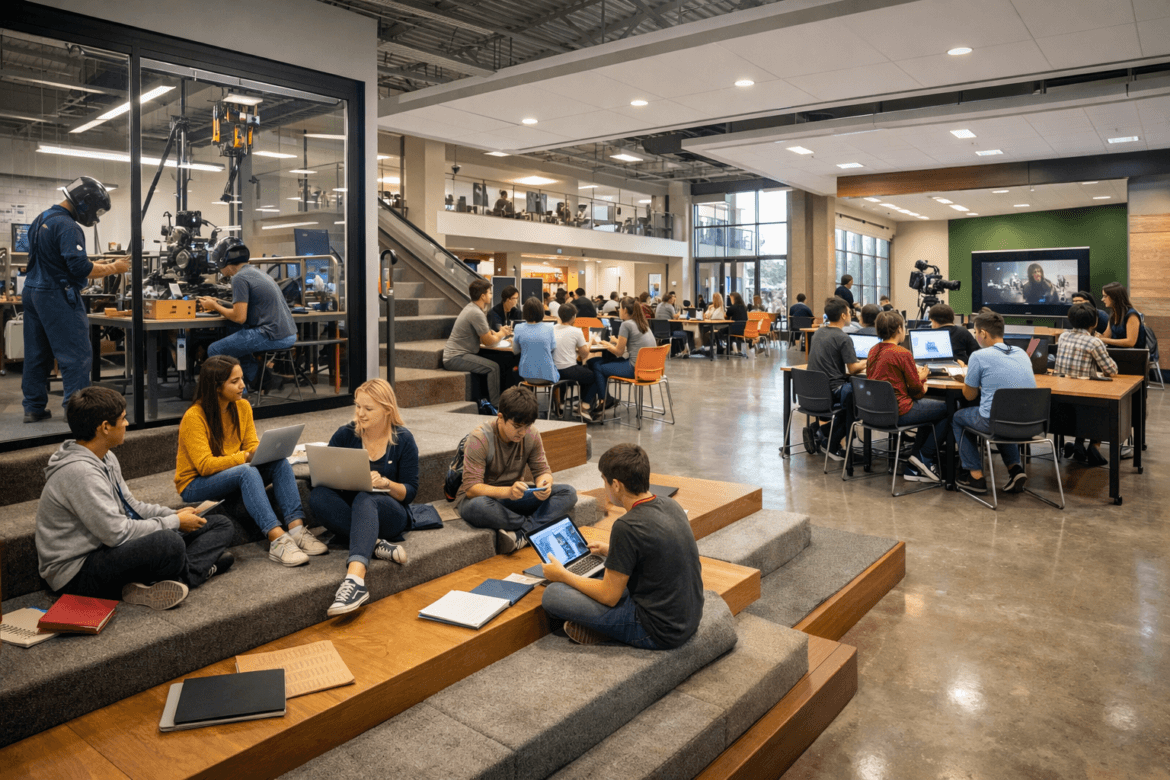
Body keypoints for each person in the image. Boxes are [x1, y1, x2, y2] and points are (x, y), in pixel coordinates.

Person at [37, 387, 233, 609]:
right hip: (76, 572)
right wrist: (174, 523)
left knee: (219, 524)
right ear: (104, 427)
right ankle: (190, 575)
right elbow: (117, 534)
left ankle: (174, 578)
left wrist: (173, 514)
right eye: (123, 418)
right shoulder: (80, 473)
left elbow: (132, 506)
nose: (127, 423)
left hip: (106, 549)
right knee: (169, 543)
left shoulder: (105, 456)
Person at [541, 443, 702, 648]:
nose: (605, 488)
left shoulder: (626, 526)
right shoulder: (670, 504)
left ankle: (609, 630)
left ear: (616, 485)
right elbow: (657, 551)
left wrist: (562, 574)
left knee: (553, 594)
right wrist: (612, 551)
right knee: (603, 573)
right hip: (689, 618)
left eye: (604, 482)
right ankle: (603, 626)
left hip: (658, 631)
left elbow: (609, 596)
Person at [175, 355, 325, 566]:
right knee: (247, 470)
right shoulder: (194, 416)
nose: (242, 386)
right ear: (216, 386)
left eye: (241, 379)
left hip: (230, 474)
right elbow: (205, 465)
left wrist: (262, 451)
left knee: (279, 463)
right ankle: (277, 539)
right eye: (234, 381)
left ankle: (297, 529)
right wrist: (245, 457)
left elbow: (251, 445)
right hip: (195, 483)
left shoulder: (242, 407)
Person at [22, 176, 130, 423]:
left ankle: (33, 407)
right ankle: (76, 413)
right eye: (98, 209)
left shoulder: (42, 219)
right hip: (56, 295)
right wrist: (114, 267)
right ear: (86, 203)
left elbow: (56, 259)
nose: (97, 216)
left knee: (37, 354)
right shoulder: (69, 226)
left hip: (32, 292)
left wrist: (99, 264)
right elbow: (80, 268)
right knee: (76, 355)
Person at [309, 379, 419, 616]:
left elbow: (410, 492)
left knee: (365, 496)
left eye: (368, 409)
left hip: (391, 513)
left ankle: (355, 581)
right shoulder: (346, 434)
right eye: (358, 406)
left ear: (387, 410)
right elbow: (326, 474)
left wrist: (386, 484)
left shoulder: (403, 439)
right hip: (353, 512)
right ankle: (374, 543)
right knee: (318, 495)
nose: (360, 413)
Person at [455, 387, 578, 553]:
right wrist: (508, 492)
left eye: (527, 426)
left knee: (567, 493)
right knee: (479, 506)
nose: (523, 432)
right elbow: (471, 489)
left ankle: (523, 532)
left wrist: (544, 483)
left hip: (516, 496)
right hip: (485, 498)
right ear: (501, 417)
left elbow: (542, 470)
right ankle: (535, 527)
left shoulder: (531, 435)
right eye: (517, 426)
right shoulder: (479, 438)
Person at [951, 308, 1035, 495]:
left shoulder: (979, 356)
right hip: (1030, 422)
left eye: (976, 333)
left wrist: (967, 381)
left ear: (983, 333)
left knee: (959, 417)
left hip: (996, 423)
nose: (976, 337)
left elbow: (969, 396)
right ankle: (1015, 469)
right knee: (1004, 414)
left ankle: (975, 476)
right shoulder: (1021, 353)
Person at [197, 238, 296, 393]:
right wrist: (220, 302)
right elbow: (246, 307)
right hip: (287, 334)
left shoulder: (239, 278)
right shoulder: (256, 272)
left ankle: (237, 400)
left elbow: (239, 317)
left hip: (271, 334)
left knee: (215, 350)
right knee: (234, 345)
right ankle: (260, 381)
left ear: (223, 262)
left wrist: (214, 306)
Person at [865, 311, 947, 482]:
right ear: (899, 329)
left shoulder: (872, 351)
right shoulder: (903, 353)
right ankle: (924, 456)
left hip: (874, 411)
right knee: (948, 409)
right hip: (899, 412)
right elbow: (916, 390)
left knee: (929, 412)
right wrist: (922, 379)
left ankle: (915, 464)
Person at [1056, 302, 1119, 467]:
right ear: (1095, 323)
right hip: (1086, 400)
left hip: (1061, 398)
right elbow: (1112, 370)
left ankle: (1078, 443)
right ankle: (1094, 445)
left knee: (1083, 399)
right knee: (1100, 400)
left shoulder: (1063, 336)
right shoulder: (1094, 342)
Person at [805, 296, 866, 460]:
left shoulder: (819, 332)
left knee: (851, 402)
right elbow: (853, 369)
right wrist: (867, 361)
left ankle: (824, 433)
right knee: (859, 401)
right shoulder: (843, 338)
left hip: (813, 391)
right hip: (833, 390)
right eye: (849, 312)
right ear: (844, 315)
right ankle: (831, 443)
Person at [443, 279, 512, 408]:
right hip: (455, 357)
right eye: (490, 293)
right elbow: (488, 342)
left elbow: (485, 337)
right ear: (483, 296)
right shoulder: (476, 313)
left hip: (460, 354)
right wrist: (502, 334)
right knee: (493, 367)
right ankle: (497, 406)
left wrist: (495, 334)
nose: (491, 296)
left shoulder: (472, 308)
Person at [589, 297, 657, 411]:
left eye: (619, 308)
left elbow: (619, 353)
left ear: (625, 309)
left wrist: (606, 344)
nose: (618, 311)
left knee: (597, 366)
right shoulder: (643, 323)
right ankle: (602, 399)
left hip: (634, 369)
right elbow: (634, 342)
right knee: (594, 362)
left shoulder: (626, 325)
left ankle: (605, 400)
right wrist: (616, 341)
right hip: (651, 369)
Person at [552, 302, 597, 421]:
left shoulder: (552, 329)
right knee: (593, 376)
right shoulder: (576, 331)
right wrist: (591, 342)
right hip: (569, 370)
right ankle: (585, 405)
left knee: (577, 372)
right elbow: (584, 354)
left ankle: (561, 404)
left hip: (553, 370)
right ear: (573, 317)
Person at [512, 297, 558, 385]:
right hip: (547, 375)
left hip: (526, 375)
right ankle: (555, 399)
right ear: (541, 311)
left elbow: (515, 351)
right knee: (557, 370)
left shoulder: (518, 328)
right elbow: (552, 348)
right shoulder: (550, 327)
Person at [1099, 282, 1147, 350]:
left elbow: (1130, 342)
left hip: (1132, 356)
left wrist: (1104, 340)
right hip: (1117, 354)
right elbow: (1106, 336)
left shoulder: (1131, 315)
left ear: (1114, 297)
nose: (1102, 299)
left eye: (1105, 296)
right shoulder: (1113, 315)